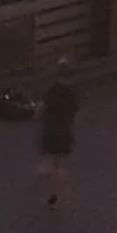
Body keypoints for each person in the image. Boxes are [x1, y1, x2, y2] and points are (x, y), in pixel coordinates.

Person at [38, 63, 78, 208]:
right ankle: (59, 192)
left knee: (48, 162)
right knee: (61, 164)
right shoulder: (71, 92)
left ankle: (50, 191)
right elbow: (75, 110)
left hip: (51, 131)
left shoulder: (52, 90)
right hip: (65, 131)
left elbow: (41, 109)